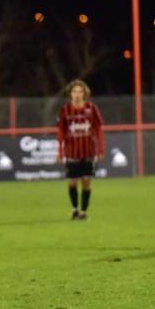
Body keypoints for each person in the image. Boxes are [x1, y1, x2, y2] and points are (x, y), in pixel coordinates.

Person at [56, 79, 104, 220]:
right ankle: (75, 209)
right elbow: (60, 131)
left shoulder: (91, 108)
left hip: (88, 151)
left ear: (85, 94)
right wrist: (59, 151)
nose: (77, 94)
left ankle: (83, 211)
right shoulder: (65, 110)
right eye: (74, 91)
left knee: (86, 181)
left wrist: (101, 149)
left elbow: (99, 129)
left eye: (80, 91)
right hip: (71, 152)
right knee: (72, 182)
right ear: (70, 94)